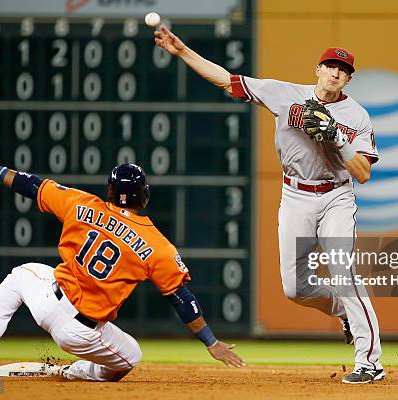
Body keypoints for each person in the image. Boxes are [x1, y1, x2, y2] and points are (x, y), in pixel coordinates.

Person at [155, 27, 384, 384]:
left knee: (343, 273)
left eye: (343, 69)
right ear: (318, 69)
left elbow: (363, 174)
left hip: (336, 196)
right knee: (296, 288)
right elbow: (226, 81)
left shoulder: (356, 116)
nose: (335, 72)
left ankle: (370, 362)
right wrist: (183, 51)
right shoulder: (284, 94)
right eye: (329, 65)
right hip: (294, 195)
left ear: (349, 78)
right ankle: (345, 312)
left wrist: (337, 137)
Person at [0, 148, 245, 381]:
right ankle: (73, 371)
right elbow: (182, 299)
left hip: (47, 300)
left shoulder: (81, 204)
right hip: (80, 332)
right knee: (132, 357)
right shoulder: (158, 247)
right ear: (144, 197)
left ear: (111, 192)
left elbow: (31, 185)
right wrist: (211, 342)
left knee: (19, 276)